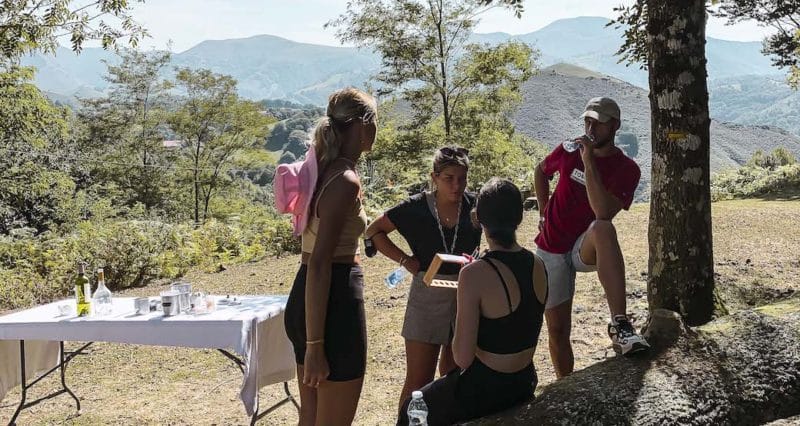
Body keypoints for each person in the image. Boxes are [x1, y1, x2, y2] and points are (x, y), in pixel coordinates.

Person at [396, 178, 547, 425]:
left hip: (487, 389)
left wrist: (466, 291)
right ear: (519, 218)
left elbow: (462, 358)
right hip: (524, 379)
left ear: (478, 219)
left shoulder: (474, 274)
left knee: (411, 410)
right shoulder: (538, 263)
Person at [533, 96, 649, 379]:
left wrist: (588, 164)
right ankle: (565, 386)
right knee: (558, 329)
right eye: (587, 121)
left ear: (615, 126)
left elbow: (603, 212)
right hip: (551, 246)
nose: (590, 128)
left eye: (598, 123)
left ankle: (619, 324)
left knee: (603, 228)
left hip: (584, 246)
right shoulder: (568, 150)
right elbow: (541, 170)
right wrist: (543, 211)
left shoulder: (627, 169)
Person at [283, 87, 377, 425]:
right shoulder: (345, 180)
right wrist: (315, 345)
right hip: (331, 305)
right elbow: (321, 262)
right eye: (376, 121)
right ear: (364, 125)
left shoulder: (320, 168)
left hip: (307, 300)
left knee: (310, 418)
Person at [365, 146, 482, 411]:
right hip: (426, 295)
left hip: (465, 294)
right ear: (434, 177)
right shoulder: (416, 207)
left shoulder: (475, 205)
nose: (456, 186)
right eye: (448, 178)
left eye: (462, 178)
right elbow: (374, 231)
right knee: (419, 381)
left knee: (454, 374)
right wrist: (405, 261)